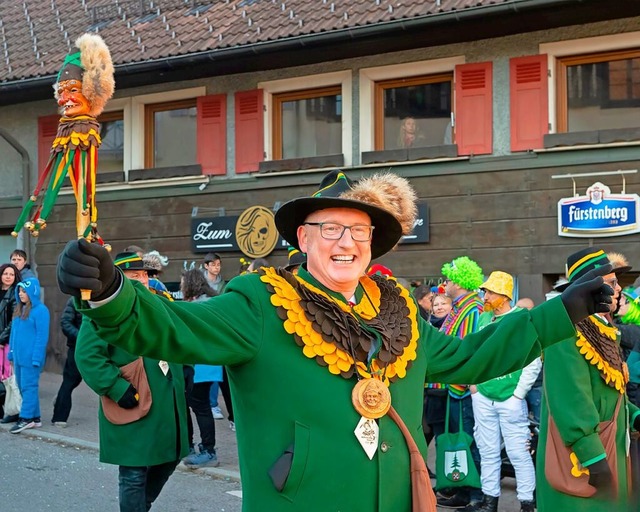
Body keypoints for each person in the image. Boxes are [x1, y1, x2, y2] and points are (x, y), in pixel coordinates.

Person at [57, 169, 614, 512]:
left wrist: (556, 313)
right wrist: (111, 291)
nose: (346, 242)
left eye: (360, 231)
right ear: (303, 237)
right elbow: (172, 328)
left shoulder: (400, 313)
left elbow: (473, 355)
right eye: (331, 228)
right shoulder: (260, 301)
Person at [74, 252, 189, 512]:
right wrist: (117, 388)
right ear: (118, 279)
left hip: (165, 400)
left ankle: (140, 506)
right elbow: (88, 356)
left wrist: (186, 371)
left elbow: (178, 338)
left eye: (145, 275)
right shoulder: (102, 309)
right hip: (132, 397)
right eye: (135, 276)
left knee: (171, 457)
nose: (144, 281)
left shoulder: (160, 302)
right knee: (133, 473)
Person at [536, 248, 640, 512]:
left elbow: (610, 392)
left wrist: (635, 415)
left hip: (611, 446)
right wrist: (593, 457)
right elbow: (571, 399)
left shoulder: (604, 330)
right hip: (584, 456)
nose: (618, 290)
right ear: (589, 289)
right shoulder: (566, 330)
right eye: (612, 283)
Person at [471, 271, 540, 512]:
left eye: (490, 292)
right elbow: (474, 351)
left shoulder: (521, 319)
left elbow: (533, 359)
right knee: (487, 451)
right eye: (485, 291)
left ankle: (527, 504)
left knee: (518, 453)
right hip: (483, 396)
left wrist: (518, 394)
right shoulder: (483, 319)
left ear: (504, 295)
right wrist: (474, 385)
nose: (485, 295)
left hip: (511, 398)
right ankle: (489, 503)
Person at [432, 256, 485, 510]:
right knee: (459, 439)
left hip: (462, 387)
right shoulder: (459, 306)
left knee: (470, 439)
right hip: (453, 387)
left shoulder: (473, 308)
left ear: (459, 281)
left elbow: (469, 347)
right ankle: (464, 490)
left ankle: (477, 494)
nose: (445, 284)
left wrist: (463, 378)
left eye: (449, 279)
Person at [180, 269, 222, 468]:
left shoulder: (195, 305)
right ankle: (203, 448)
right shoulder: (211, 301)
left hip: (198, 364)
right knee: (200, 405)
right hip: (210, 363)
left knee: (199, 406)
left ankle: (207, 450)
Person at [7, 278, 50, 433]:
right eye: (19, 291)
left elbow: (41, 337)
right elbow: (14, 334)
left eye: (24, 291)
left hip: (31, 359)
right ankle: (35, 417)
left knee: (29, 387)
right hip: (18, 358)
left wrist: (37, 358)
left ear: (33, 292)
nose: (21, 294)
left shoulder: (41, 311)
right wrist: (11, 354)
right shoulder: (19, 310)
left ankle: (25, 418)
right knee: (23, 387)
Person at [51, 297, 83, 427]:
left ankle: (60, 399)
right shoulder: (75, 300)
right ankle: (60, 417)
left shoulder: (102, 298)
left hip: (98, 348)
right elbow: (66, 323)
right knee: (69, 381)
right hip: (77, 347)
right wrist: (82, 337)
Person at [0, 263, 21, 421]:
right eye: (5, 273)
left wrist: (2, 338)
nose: (8, 276)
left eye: (11, 274)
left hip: (6, 341)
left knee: (7, 377)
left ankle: (13, 411)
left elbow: (14, 319)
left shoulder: (15, 294)